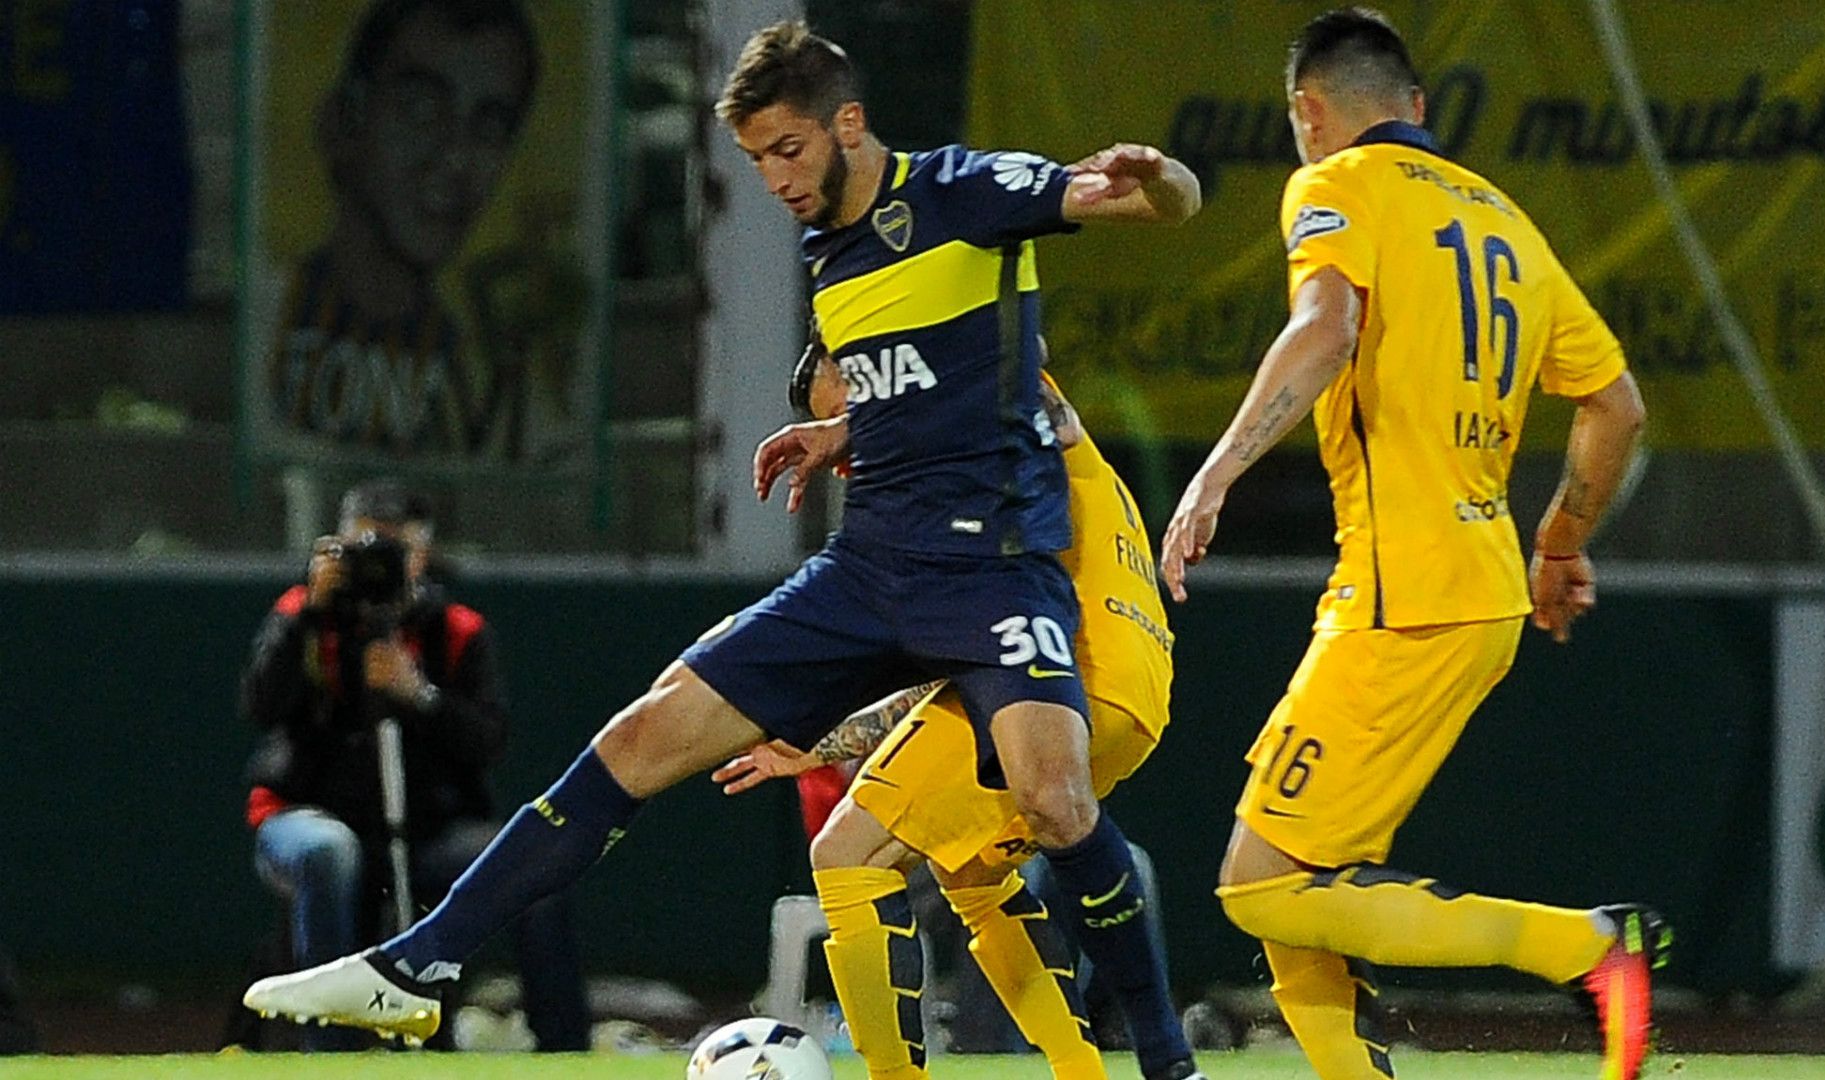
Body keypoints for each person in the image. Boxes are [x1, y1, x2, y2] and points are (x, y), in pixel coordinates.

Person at [243, 17, 1201, 1062]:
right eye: (755, 160)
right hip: (869, 568)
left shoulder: (960, 192)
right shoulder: (826, 247)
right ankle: (419, 964)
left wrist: (1161, 180)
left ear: (849, 124)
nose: (776, 178)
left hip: (992, 568)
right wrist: (844, 428)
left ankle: (1165, 1060)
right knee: (642, 735)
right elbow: (928, 386)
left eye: (788, 149)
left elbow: (1141, 206)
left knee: (1055, 803)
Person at [1158, 10, 1665, 1080]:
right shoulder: (1507, 222)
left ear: (1308, 113)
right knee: (1298, 875)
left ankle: (1588, 946)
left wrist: (1218, 470)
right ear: (1420, 109)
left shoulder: (1335, 186)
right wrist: (1560, 543)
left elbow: (1326, 325)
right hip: (1475, 589)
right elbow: (1614, 404)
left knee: (1261, 881)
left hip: (1408, 595)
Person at [712, 347, 1196, 1080]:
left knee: (845, 855)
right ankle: (1082, 1071)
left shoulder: (991, 396)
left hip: (1072, 677)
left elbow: (1009, 356)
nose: (844, 447)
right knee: (973, 878)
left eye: (846, 410)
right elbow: (962, 668)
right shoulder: (991, 466)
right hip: (1128, 694)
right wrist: (820, 742)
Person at [240, 479, 588, 1051]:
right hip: (309, 815)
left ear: (422, 556)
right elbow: (259, 707)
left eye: (392, 551)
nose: (375, 568)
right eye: (361, 551)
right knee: (329, 853)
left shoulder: (456, 630)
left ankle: (564, 1051)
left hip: (429, 830)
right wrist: (310, 616)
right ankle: (331, 1054)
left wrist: (419, 694)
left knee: (536, 867)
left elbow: (487, 741)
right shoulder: (302, 615)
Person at [268, 0, 549, 455]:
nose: (455, 158)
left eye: (489, 127)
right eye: (421, 108)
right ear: (345, 119)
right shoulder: (270, 325)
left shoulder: (481, 377)